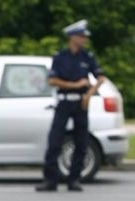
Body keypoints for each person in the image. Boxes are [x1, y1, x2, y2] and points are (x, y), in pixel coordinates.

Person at [36, 19, 105, 192]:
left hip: (80, 104)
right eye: (81, 36)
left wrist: (89, 94)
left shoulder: (87, 57)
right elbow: (52, 80)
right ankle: (50, 180)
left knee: (81, 142)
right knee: (55, 141)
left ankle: (74, 179)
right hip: (64, 101)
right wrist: (75, 85)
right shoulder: (60, 57)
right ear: (72, 37)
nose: (84, 40)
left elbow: (101, 78)